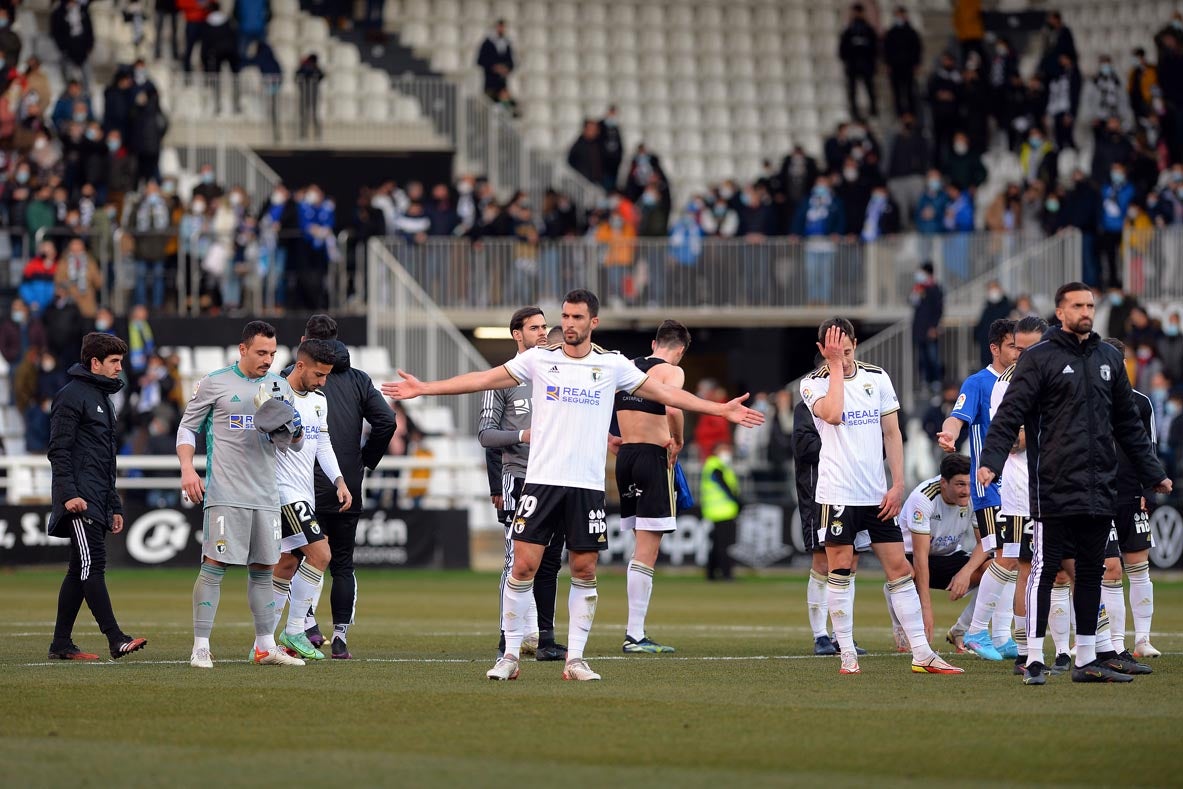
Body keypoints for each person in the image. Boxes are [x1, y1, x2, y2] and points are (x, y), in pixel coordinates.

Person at [382, 289, 763, 681]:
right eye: (564, 316)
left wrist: (719, 408)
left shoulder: (612, 365)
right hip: (542, 482)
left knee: (584, 569)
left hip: (586, 487)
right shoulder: (539, 359)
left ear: (592, 322)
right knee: (524, 566)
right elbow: (483, 378)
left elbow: (667, 394)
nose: (567, 324)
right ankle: (510, 654)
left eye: (576, 317)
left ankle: (575, 659)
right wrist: (424, 388)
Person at [979, 283, 1171, 684]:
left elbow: (1128, 425)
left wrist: (1153, 473)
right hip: (1053, 484)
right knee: (1046, 570)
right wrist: (990, 461)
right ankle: (1033, 656)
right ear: (1060, 311)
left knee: (1090, 572)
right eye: (1077, 305)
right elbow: (1010, 414)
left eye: (1090, 304)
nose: (1086, 310)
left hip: (1099, 485)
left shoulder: (1107, 359)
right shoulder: (1040, 358)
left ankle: (1086, 658)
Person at [800, 317, 962, 675]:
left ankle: (922, 652)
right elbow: (835, 414)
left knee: (899, 569)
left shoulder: (878, 377)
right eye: (833, 351)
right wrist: (835, 369)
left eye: (846, 350)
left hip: (877, 494)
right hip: (837, 493)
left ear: (856, 344)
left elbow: (892, 433)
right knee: (840, 569)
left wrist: (898, 483)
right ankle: (847, 655)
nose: (841, 357)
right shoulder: (813, 383)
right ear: (821, 351)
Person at [178, 320, 306, 669]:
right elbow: (187, 427)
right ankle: (201, 646)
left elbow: (295, 444)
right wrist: (188, 470)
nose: (268, 359)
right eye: (261, 352)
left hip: (266, 493)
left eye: (273, 353)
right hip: (225, 491)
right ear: (243, 349)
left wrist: (290, 430)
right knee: (214, 565)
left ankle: (265, 647)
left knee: (265, 568)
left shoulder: (279, 386)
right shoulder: (214, 382)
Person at [294, 316, 395, 658]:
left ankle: (304, 625)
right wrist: (364, 460)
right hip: (345, 484)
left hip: (301, 485)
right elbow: (387, 421)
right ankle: (340, 637)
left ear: (305, 341)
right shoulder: (358, 379)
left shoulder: (293, 378)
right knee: (342, 564)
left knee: (297, 558)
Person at [46, 333, 147, 661]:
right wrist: (68, 495)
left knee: (78, 569)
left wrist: (113, 504)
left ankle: (60, 644)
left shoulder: (102, 399)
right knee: (93, 563)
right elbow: (58, 449)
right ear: (95, 363)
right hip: (80, 499)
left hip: (96, 498)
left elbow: (106, 459)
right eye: (114, 362)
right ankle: (115, 638)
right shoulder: (71, 396)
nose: (120, 367)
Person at [478, 306, 567, 662]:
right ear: (517, 334)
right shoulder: (502, 378)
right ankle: (508, 635)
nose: (543, 332)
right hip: (519, 477)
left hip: (557, 478)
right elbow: (485, 435)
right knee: (517, 559)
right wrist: (523, 434)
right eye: (535, 327)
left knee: (550, 563)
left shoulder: (559, 373)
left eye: (545, 326)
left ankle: (545, 639)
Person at [937, 318, 1020, 661]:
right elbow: (957, 417)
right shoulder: (979, 383)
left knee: (1014, 558)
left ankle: (996, 634)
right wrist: (950, 434)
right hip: (989, 485)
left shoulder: (1026, 382)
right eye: (1013, 346)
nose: (1019, 352)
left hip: (1019, 484)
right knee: (1003, 554)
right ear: (995, 348)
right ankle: (976, 632)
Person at [267, 339, 350, 661]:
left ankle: (264, 642)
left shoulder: (319, 399)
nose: (323, 381)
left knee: (287, 563)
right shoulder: (275, 395)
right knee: (321, 553)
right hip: (281, 490)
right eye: (318, 374)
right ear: (300, 366)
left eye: (327, 375)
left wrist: (339, 480)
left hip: (304, 492)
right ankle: (295, 628)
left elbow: (322, 442)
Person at [614, 320, 691, 653]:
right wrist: (679, 440)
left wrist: (610, 439)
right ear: (681, 350)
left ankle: (635, 631)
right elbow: (673, 406)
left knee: (638, 546)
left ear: (654, 342)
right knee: (648, 550)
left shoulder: (627, 367)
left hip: (626, 456)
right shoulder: (672, 372)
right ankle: (635, 634)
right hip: (652, 456)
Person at [988, 315, 1048, 676]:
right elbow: (1010, 439)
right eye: (1018, 348)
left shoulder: (1056, 369)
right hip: (1020, 492)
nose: (1022, 355)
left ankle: (1087, 647)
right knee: (1025, 568)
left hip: (1058, 484)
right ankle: (1025, 652)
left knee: (1073, 568)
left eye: (1030, 348)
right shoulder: (1007, 382)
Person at [1100, 338, 1161, 661]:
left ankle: (1143, 639)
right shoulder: (1088, 400)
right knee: (1109, 569)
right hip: (1098, 496)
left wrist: (1146, 492)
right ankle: (1113, 641)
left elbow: (1148, 448)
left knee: (1139, 566)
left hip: (1131, 495)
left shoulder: (1141, 403)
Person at [897, 454, 980, 649]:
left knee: (995, 570)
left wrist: (966, 572)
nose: (966, 491)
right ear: (943, 482)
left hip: (948, 556)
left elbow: (984, 543)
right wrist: (927, 611)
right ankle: (900, 622)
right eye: (960, 484)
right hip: (912, 558)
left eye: (969, 484)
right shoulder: (923, 498)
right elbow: (920, 557)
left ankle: (962, 631)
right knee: (904, 573)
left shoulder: (975, 494)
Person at [701, 441, 739, 582]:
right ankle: (726, 573)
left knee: (717, 544)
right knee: (724, 545)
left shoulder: (718, 466)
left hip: (718, 511)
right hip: (723, 511)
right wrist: (737, 501)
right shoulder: (715, 466)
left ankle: (711, 573)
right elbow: (725, 486)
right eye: (724, 449)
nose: (727, 452)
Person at [838, 2, 878, 121]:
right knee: (853, 89)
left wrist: (872, 61)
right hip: (853, 65)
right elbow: (842, 48)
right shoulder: (849, 30)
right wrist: (847, 60)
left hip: (866, 64)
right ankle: (854, 111)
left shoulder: (868, 29)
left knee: (869, 87)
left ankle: (873, 109)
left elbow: (874, 48)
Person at [883, 5, 922, 118]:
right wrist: (887, 64)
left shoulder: (911, 32)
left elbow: (917, 48)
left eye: (901, 14)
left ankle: (911, 113)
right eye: (897, 15)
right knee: (897, 91)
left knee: (910, 91)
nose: (900, 17)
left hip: (908, 66)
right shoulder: (891, 33)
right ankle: (900, 114)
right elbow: (886, 49)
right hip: (895, 67)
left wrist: (916, 63)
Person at [911, 262, 943, 393]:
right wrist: (915, 293)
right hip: (920, 330)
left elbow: (938, 309)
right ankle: (925, 382)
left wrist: (934, 327)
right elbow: (913, 303)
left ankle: (936, 381)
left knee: (933, 357)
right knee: (922, 358)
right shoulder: (919, 288)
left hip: (930, 330)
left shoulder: (935, 288)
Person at [476, 19, 514, 101]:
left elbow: (512, 63)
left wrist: (505, 68)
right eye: (500, 27)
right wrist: (494, 67)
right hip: (490, 82)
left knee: (503, 104)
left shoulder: (506, 43)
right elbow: (480, 61)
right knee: (489, 103)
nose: (501, 29)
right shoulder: (487, 43)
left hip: (502, 83)